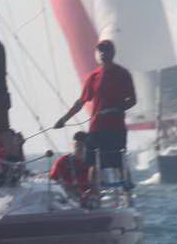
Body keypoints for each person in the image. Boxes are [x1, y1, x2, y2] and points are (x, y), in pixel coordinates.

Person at [53, 40, 136, 173]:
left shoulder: (123, 74)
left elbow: (132, 100)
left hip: (116, 128)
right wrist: (64, 119)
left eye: (106, 50)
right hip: (97, 127)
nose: (103, 53)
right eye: (100, 51)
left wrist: (117, 108)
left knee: (119, 162)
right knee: (92, 163)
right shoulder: (93, 76)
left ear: (113, 53)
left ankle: (126, 185)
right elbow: (81, 102)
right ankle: (93, 186)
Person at [50, 132, 95, 206]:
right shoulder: (63, 161)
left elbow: (98, 183)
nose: (80, 148)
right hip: (68, 199)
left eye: (83, 145)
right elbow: (53, 182)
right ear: (73, 145)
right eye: (78, 145)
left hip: (90, 198)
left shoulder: (93, 162)